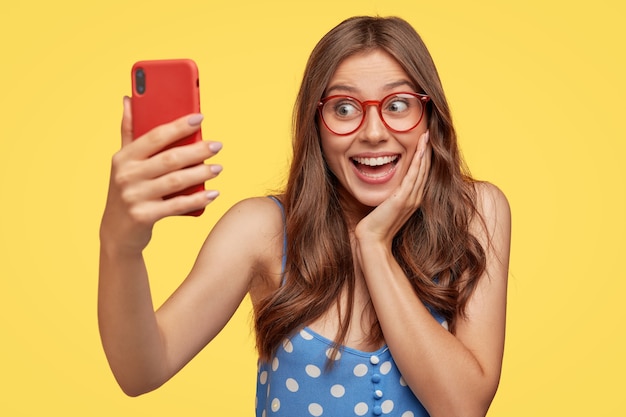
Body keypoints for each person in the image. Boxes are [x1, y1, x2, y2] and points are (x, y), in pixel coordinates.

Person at [99, 15, 511, 417]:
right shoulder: (262, 230)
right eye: (344, 108)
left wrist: (375, 245)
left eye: (398, 104)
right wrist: (121, 245)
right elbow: (140, 372)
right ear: (316, 124)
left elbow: (462, 407)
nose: (372, 131)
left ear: (429, 117)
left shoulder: (476, 213)